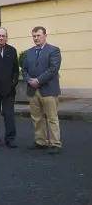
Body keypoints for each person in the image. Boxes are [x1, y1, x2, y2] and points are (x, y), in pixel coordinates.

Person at [22, 26, 62, 155]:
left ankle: (55, 143)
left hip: (49, 90)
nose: (36, 38)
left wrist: (38, 80)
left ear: (45, 36)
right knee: (37, 118)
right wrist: (29, 80)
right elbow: (24, 70)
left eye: (38, 35)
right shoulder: (28, 52)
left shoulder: (54, 50)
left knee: (52, 118)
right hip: (33, 91)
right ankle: (40, 141)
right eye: (34, 36)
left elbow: (53, 69)